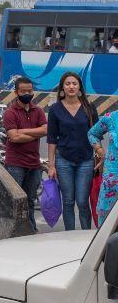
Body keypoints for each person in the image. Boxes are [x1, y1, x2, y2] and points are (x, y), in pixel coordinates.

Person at [47, 72, 97, 230]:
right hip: (63, 161)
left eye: (74, 83)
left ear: (80, 87)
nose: (71, 86)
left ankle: (86, 237)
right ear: (62, 87)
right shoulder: (55, 109)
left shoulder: (89, 108)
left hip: (86, 160)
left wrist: (100, 154)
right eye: (67, 84)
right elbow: (51, 138)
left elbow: (96, 134)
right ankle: (69, 236)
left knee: (82, 201)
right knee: (68, 201)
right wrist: (51, 165)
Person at [3, 76, 48, 232]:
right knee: (15, 201)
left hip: (34, 164)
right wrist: (36, 133)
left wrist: (22, 131)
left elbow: (46, 130)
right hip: (15, 164)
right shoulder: (10, 112)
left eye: (30, 90)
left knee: (30, 200)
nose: (27, 93)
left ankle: (30, 230)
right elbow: (14, 138)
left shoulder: (38, 110)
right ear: (16, 92)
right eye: (23, 91)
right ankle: (13, 231)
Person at [88, 107, 118, 225]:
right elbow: (92, 133)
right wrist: (100, 151)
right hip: (112, 176)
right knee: (106, 218)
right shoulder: (111, 118)